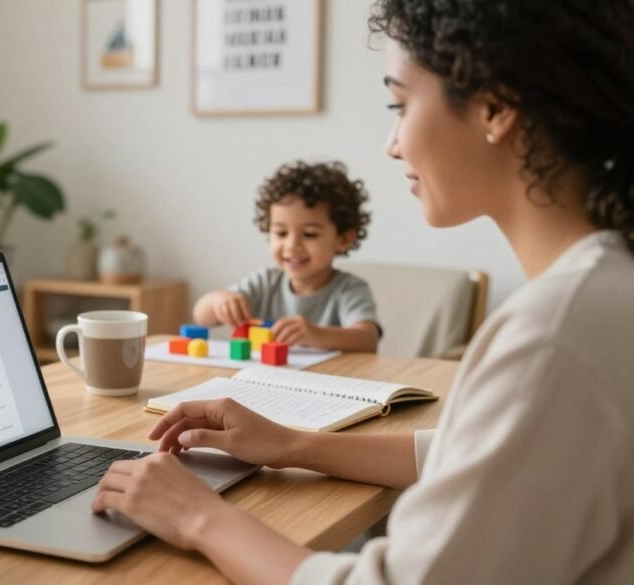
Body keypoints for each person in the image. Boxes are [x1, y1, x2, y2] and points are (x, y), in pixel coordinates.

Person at [91, 0, 634, 583]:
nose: (392, 143)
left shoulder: (554, 336)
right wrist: (292, 445)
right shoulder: (600, 292)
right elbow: (474, 455)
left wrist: (198, 516)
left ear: (495, 107)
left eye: (399, 105)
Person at [192, 161, 381, 353]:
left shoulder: (349, 289)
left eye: (309, 234)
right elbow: (202, 317)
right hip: (268, 379)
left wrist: (316, 334)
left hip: (328, 380)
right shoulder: (264, 282)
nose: (291, 246)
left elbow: (367, 340)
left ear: (344, 239)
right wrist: (219, 300)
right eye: (281, 233)